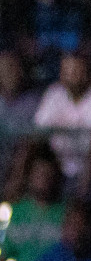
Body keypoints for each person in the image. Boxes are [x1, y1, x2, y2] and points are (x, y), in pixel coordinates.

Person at [33, 51, 91, 187]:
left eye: (77, 70)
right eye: (67, 70)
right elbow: (39, 132)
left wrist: (84, 183)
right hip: (56, 166)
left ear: (86, 72)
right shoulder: (54, 94)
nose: (72, 75)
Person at [30, 0, 84, 87]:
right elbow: (33, 46)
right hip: (43, 71)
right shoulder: (38, 11)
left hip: (72, 74)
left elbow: (79, 46)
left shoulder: (77, 11)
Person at [0, 48, 41, 182]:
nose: (9, 74)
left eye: (13, 68)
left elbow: (31, 142)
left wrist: (16, 177)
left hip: (23, 168)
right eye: (4, 69)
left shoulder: (34, 103)